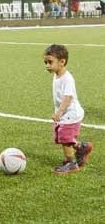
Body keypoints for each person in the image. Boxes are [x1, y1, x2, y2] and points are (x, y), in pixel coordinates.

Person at [43, 44, 93, 174]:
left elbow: (68, 97)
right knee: (62, 136)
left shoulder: (67, 78)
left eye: (50, 62)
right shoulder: (57, 74)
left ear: (62, 62)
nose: (47, 65)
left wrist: (59, 112)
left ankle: (71, 163)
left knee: (65, 138)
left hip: (70, 114)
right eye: (45, 62)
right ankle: (82, 147)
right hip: (66, 114)